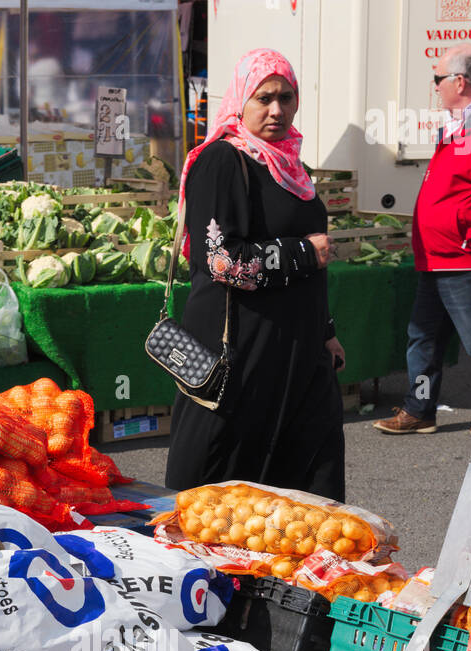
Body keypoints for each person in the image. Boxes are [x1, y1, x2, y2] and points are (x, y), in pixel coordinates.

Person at [164, 48, 345, 500]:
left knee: (307, 485)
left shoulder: (290, 165)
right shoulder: (222, 161)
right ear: (241, 99)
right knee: (222, 486)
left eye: (287, 97)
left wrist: (326, 330)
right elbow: (220, 261)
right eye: (264, 98)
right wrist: (304, 252)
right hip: (241, 352)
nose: (277, 109)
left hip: (298, 351)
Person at [374, 44, 471, 438]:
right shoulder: (464, 120)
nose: (435, 88)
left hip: (467, 258)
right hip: (442, 257)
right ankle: (420, 409)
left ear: (459, 81)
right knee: (423, 338)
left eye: (438, 79)